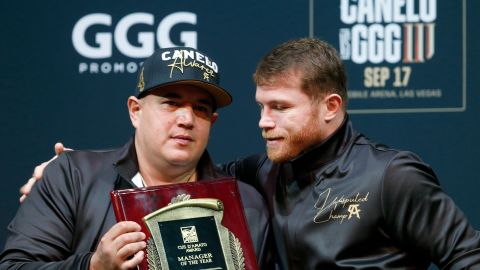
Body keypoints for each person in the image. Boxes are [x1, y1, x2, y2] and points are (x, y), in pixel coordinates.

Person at [16, 38, 480, 269]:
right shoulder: (256, 176)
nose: (263, 122)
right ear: (135, 110)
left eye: (279, 108)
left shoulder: (390, 175)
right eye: (170, 103)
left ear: (330, 108)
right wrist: (69, 174)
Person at [0, 47, 270, 269]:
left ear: (212, 121)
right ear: (135, 111)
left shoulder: (246, 203)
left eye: (200, 108)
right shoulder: (74, 176)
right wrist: (92, 266)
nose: (187, 119)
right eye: (171, 103)